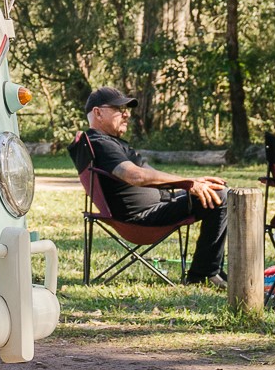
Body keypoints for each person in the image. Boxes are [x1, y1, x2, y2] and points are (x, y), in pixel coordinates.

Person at [74, 86, 229, 286]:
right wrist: (188, 183)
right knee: (221, 196)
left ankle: (207, 271)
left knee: (216, 188)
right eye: (119, 109)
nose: (126, 114)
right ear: (98, 112)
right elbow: (134, 176)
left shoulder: (103, 142)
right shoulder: (101, 143)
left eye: (127, 110)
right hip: (143, 219)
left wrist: (193, 181)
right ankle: (204, 274)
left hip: (154, 208)